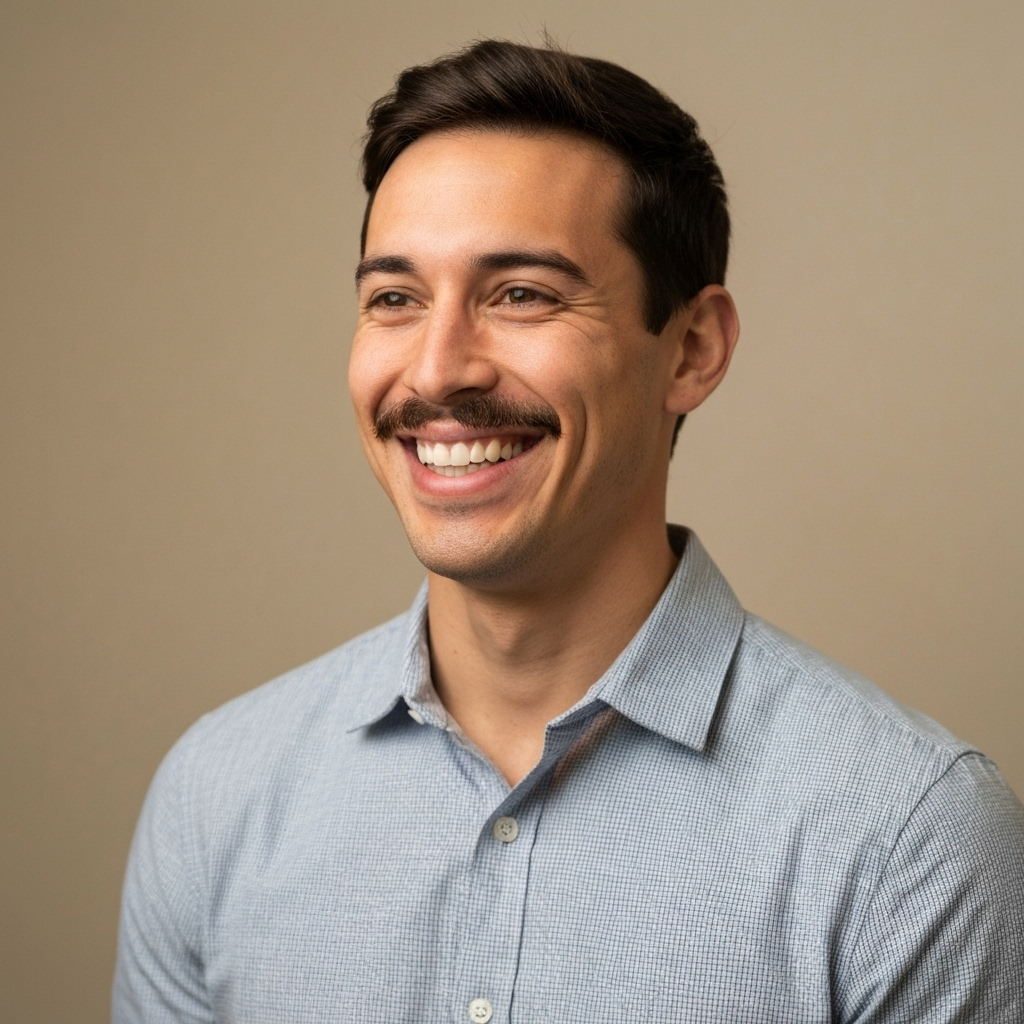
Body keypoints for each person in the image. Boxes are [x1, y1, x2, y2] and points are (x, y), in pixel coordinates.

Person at [113, 40, 1024, 1023]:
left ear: (692, 349)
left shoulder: (911, 837)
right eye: (394, 299)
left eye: (521, 295)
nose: (435, 372)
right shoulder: (215, 796)